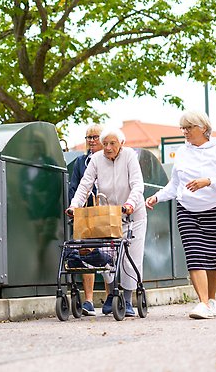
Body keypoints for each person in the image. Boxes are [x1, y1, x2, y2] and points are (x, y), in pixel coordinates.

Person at [146, 110, 216, 320]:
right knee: (195, 255)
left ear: (203, 128)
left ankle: (211, 301)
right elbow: (175, 184)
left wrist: (208, 181)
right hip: (187, 210)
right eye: (183, 128)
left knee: (214, 258)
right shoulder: (182, 152)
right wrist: (157, 197)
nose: (185, 132)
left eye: (189, 128)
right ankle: (203, 303)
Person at [67, 128, 145, 317]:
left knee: (130, 257)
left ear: (121, 144)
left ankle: (126, 300)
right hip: (108, 214)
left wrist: (130, 203)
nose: (108, 148)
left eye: (113, 143)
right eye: (106, 144)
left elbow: (137, 184)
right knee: (106, 255)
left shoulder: (129, 157)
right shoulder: (96, 159)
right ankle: (111, 296)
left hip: (132, 214)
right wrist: (74, 206)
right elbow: (85, 185)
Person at [66, 124, 103, 315]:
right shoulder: (81, 162)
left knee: (108, 253)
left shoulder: (109, 159)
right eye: (88, 137)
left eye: (95, 137)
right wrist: (74, 209)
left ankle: (111, 295)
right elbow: (75, 185)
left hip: (105, 212)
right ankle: (88, 300)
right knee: (86, 253)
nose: (91, 141)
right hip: (86, 213)